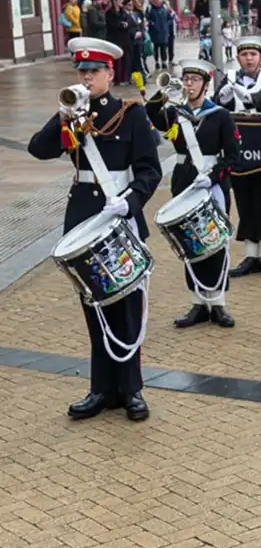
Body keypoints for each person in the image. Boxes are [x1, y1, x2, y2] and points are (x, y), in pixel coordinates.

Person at [28, 38, 162, 420]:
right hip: (84, 218)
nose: (87, 78)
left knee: (127, 306)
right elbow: (38, 149)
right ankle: (101, 389)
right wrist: (62, 115)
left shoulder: (131, 114)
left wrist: (131, 201)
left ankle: (132, 390)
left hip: (119, 217)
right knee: (94, 306)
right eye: (82, 71)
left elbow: (150, 171)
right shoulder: (73, 114)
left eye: (94, 71)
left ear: (110, 74)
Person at [147, 59, 240, 328]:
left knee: (215, 241)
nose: (189, 84)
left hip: (212, 183)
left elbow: (233, 155)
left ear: (205, 85)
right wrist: (165, 91)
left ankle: (218, 303)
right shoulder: (175, 113)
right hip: (184, 181)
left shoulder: (220, 115)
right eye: (186, 79)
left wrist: (212, 177)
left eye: (195, 80)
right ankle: (198, 302)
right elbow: (150, 113)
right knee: (189, 242)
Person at [216, 35, 261, 277]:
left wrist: (249, 97)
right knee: (244, 199)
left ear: (260, 57)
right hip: (239, 147)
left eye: (253, 54)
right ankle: (250, 255)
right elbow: (217, 106)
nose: (249, 59)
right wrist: (223, 97)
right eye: (244, 55)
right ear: (238, 58)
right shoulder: (230, 78)